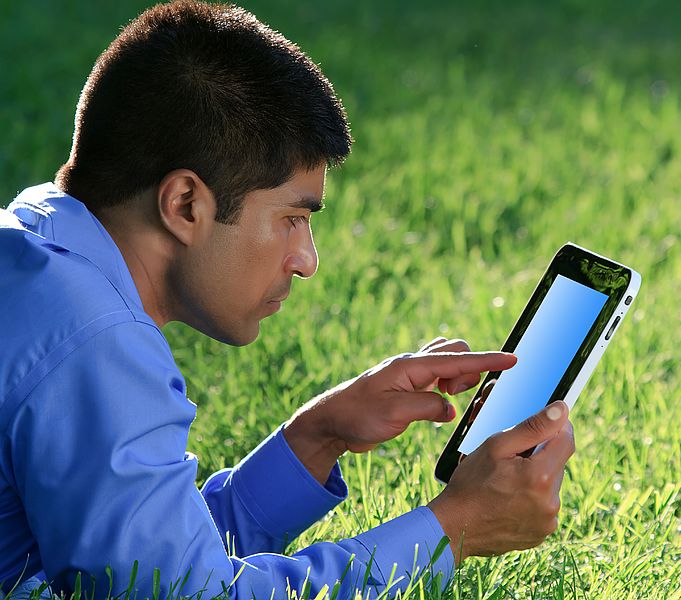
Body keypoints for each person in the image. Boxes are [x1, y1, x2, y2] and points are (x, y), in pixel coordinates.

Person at [0, 1, 575, 598]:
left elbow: (150, 563)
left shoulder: (33, 247)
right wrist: (453, 530)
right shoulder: (94, 343)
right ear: (185, 205)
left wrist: (316, 438)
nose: (307, 260)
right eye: (293, 219)